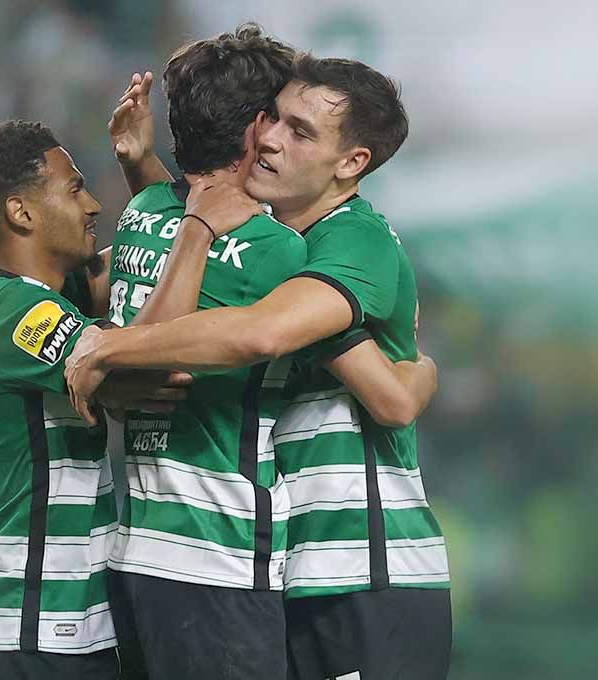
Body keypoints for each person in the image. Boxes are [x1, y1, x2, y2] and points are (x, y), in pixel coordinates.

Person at [67, 55, 452, 680]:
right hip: (293, 571)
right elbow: (192, 247)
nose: (270, 139)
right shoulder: (279, 240)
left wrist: (107, 350)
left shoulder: (354, 240)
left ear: (351, 164)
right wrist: (143, 167)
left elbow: (260, 332)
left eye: (299, 132)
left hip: (369, 573)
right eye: (271, 119)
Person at [0, 119, 204, 680]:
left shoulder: (12, 300)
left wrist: (143, 167)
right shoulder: (13, 311)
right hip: (27, 620)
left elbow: (137, 270)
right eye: (74, 188)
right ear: (21, 212)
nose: (94, 204)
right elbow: (154, 359)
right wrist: (201, 226)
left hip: (29, 618)